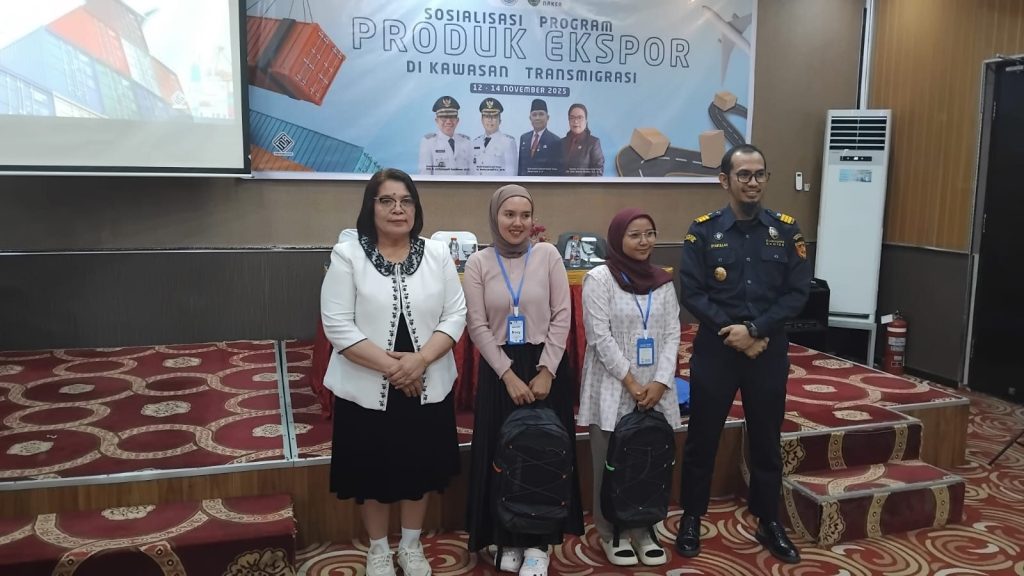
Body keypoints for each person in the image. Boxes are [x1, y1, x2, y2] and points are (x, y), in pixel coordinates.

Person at [320, 168, 467, 576]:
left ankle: (412, 546)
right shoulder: (348, 255)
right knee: (373, 471)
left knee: (420, 467)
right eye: (386, 200)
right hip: (368, 384)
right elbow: (337, 325)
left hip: (428, 379)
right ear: (371, 207)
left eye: (406, 201)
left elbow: (456, 314)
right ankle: (379, 550)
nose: (397, 209)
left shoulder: (436, 253)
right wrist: (395, 369)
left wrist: (419, 361)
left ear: (416, 208)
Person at [674, 144, 810, 564]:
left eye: (760, 174)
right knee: (703, 438)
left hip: (767, 350)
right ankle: (692, 516)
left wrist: (755, 331)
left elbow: (797, 293)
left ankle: (768, 520)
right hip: (717, 350)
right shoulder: (703, 231)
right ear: (725, 180)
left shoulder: (786, 231)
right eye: (744, 175)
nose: (753, 182)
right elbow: (692, 291)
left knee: (767, 440)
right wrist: (731, 331)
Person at [463, 184, 584, 576]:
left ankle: (539, 543)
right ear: (495, 216)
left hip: (546, 365)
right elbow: (477, 324)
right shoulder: (479, 263)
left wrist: (547, 370)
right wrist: (508, 375)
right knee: (502, 454)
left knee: (544, 452)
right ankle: (506, 536)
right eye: (509, 214)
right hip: (500, 368)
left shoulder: (548, 255)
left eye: (525, 215)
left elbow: (562, 314)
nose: (517, 223)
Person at [578, 208, 680, 567]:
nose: (644, 241)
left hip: (655, 386)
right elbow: (599, 336)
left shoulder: (662, 281)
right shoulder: (599, 279)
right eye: (634, 234)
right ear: (617, 238)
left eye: (649, 233)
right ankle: (610, 532)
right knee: (609, 462)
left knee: (648, 459)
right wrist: (632, 382)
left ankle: (643, 529)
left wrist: (660, 381)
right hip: (612, 385)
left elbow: (673, 334)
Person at [419, 96, 472, 175]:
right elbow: (425, 175)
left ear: (457, 120)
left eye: (452, 117)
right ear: (436, 120)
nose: (448, 121)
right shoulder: (429, 142)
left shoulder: (466, 142)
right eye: (444, 117)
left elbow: (471, 174)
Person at [471, 97, 518, 176]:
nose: (490, 120)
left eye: (494, 116)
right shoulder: (475, 142)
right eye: (486, 116)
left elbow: (511, 174)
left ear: (500, 121)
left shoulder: (508, 142)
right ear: (482, 120)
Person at [517, 99, 562, 177]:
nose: (537, 118)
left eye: (541, 114)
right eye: (534, 115)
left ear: (547, 117)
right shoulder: (524, 138)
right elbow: (521, 166)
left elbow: (557, 170)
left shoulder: (556, 141)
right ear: (530, 118)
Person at [561, 103, 604, 176]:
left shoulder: (593, 143)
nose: (575, 121)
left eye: (580, 117)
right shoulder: (561, 142)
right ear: (568, 120)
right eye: (572, 118)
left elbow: (597, 171)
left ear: (586, 121)